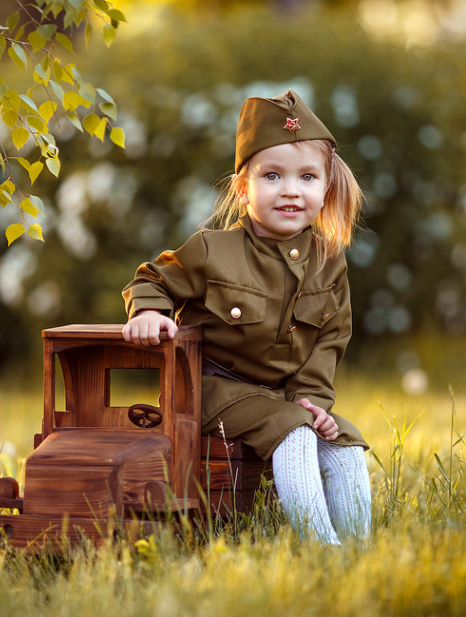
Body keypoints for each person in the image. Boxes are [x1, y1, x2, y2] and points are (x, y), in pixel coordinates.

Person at [122, 90, 371, 545]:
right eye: (272, 176)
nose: (291, 190)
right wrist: (149, 312)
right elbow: (152, 279)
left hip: (280, 396)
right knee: (294, 434)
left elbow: (332, 336)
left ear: (326, 187)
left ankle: (359, 548)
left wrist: (311, 399)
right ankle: (323, 549)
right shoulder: (212, 250)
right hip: (216, 390)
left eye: (308, 177)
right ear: (243, 187)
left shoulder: (328, 259)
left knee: (343, 445)